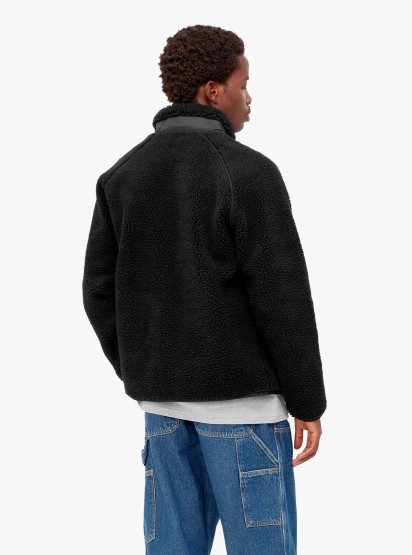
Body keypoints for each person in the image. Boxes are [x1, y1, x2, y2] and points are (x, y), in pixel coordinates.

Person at [82, 24, 327, 555]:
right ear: (213, 91)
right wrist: (308, 399)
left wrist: (146, 370)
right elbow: (282, 297)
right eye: (243, 84)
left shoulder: (122, 175)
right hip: (244, 414)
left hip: (163, 409)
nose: (249, 97)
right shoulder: (249, 172)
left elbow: (97, 291)